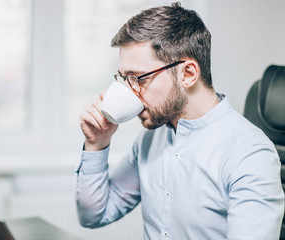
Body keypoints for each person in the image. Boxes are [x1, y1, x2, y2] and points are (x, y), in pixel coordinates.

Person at [75, 3, 284, 239]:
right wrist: (96, 144)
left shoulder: (250, 153)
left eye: (137, 79)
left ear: (188, 74)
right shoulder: (150, 139)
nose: (130, 93)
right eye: (124, 79)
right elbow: (95, 216)